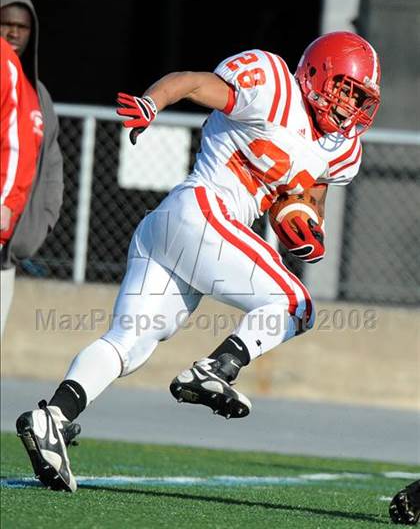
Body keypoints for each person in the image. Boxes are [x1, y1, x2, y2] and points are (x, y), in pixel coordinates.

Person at [16, 31, 381, 493]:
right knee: (297, 304)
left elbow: (306, 196)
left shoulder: (339, 148)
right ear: (314, 73)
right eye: (345, 89)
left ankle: (53, 416)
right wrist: (152, 104)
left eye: (360, 98)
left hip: (174, 229)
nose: (350, 106)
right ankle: (216, 369)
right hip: (205, 208)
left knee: (130, 342)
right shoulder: (271, 83)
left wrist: (305, 224)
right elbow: (190, 81)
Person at [0, 0, 63, 340]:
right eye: (4, 24)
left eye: (21, 27)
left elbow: (52, 164)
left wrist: (43, 220)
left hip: (9, 251)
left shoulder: (38, 95)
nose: (12, 32)